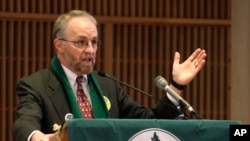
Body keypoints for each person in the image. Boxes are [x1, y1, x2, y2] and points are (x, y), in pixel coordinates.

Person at [12, 10, 207, 141]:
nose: (90, 50)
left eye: (94, 42)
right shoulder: (35, 85)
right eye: (81, 42)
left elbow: (149, 120)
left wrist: (176, 86)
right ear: (59, 45)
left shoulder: (107, 85)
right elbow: (24, 122)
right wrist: (38, 137)